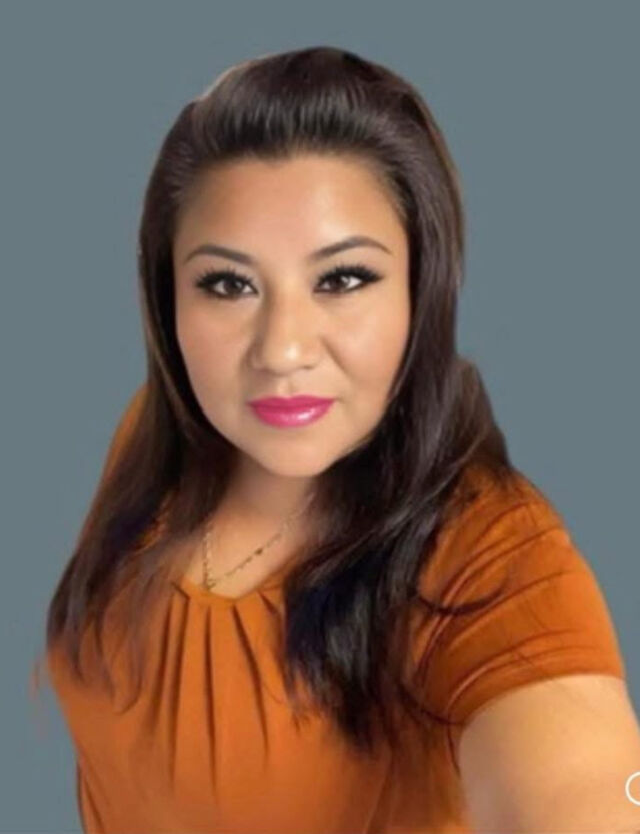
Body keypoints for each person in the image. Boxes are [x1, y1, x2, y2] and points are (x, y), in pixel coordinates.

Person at [30, 46, 639, 833]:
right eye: (228, 284)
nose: (282, 351)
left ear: (422, 289)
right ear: (167, 298)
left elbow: (583, 786)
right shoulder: (155, 437)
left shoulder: (494, 557)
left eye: (343, 278)